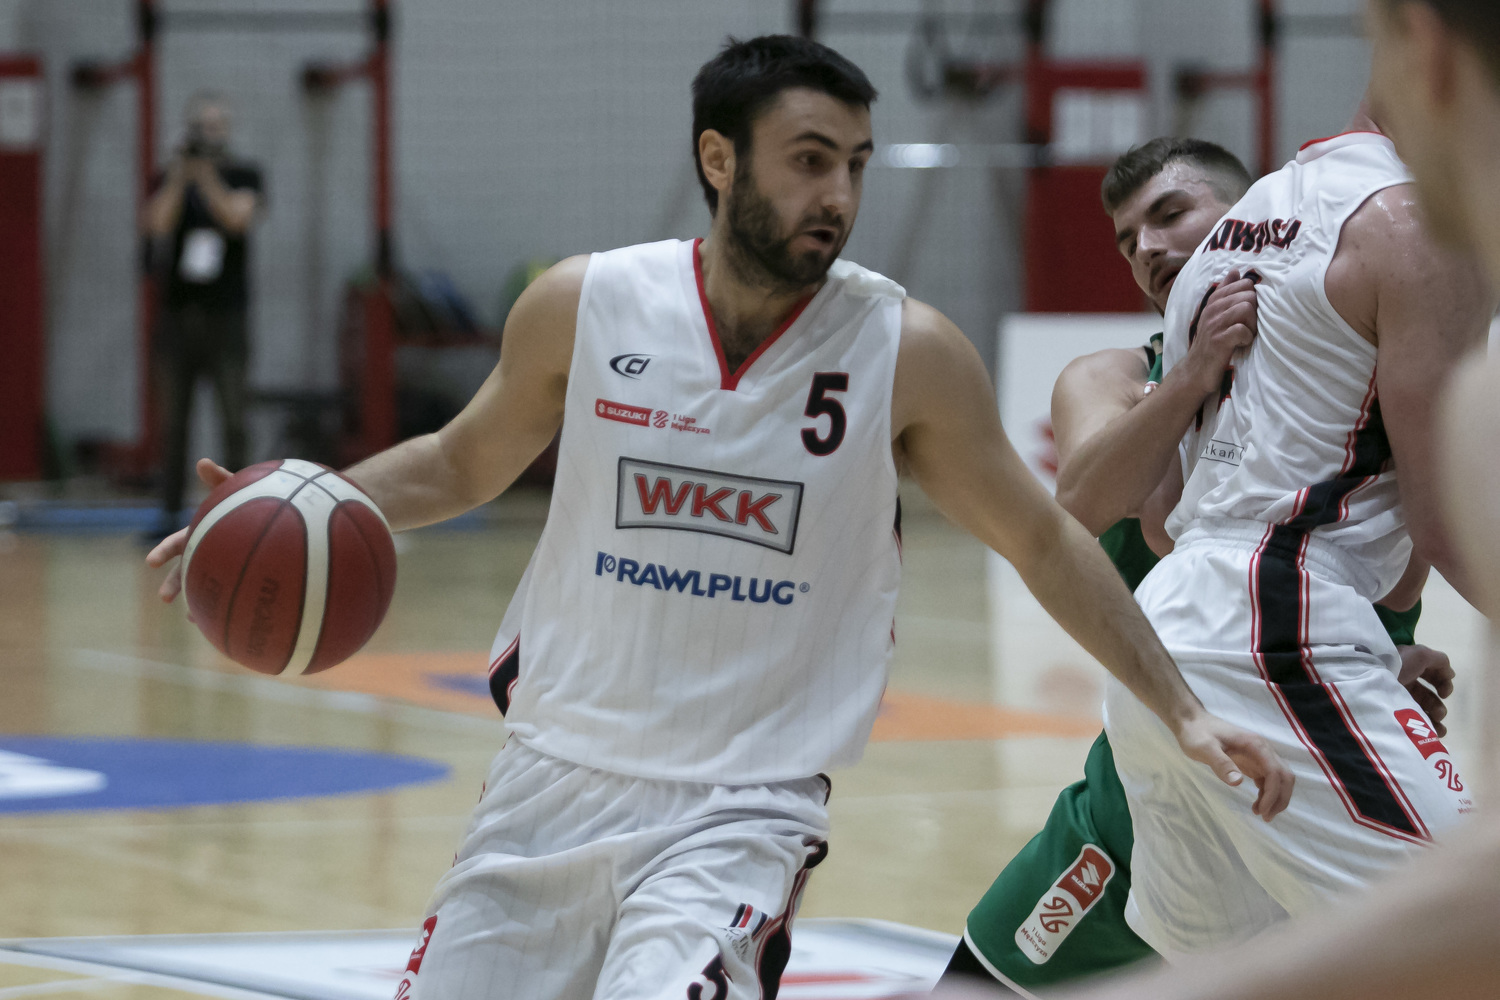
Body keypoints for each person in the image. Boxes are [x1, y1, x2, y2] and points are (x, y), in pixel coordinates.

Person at [149, 36, 1291, 1000]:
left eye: (854, 165)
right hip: (548, 781)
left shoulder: (906, 352)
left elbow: (1044, 540)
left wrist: (1184, 712)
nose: (837, 195)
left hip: (739, 812)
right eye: (809, 160)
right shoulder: (587, 304)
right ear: (718, 158)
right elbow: (458, 461)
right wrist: (298, 500)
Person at [1036, 4, 1500, 998]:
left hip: (1173, 638)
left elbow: (1162, 520)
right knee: (1475, 938)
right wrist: (1322, 636)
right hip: (1277, 629)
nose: (1148, 243)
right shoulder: (1418, 224)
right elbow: (1449, 516)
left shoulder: (1231, 240)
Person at [939, 139, 1453, 996]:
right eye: (1126, 238)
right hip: (1152, 785)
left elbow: (1400, 579)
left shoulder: (1355, 372)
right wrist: (1191, 375)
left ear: (1257, 221)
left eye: (1171, 214)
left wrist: (1375, 660)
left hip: (1301, 760)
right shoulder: (1111, 375)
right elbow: (1084, 509)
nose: (1146, 246)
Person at [141, 91, 263, 539]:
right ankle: (169, 513)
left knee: (234, 421)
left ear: (226, 132)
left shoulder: (244, 174)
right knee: (173, 424)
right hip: (178, 319)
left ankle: (244, 514)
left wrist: (208, 177)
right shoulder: (170, 178)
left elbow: (236, 219)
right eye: (201, 127)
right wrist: (180, 175)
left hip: (226, 319)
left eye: (216, 127)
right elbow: (156, 223)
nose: (208, 136)